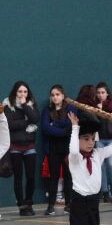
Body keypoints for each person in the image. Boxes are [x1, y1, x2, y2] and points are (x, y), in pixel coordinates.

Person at [3, 81, 39, 215]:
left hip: (29, 145)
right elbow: (10, 125)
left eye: (25, 92)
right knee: (18, 177)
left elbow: (35, 118)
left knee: (31, 177)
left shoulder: (30, 104)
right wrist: (26, 122)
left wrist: (24, 105)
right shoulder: (7, 105)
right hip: (15, 146)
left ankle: (29, 203)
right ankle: (21, 206)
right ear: (15, 92)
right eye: (20, 91)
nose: (22, 94)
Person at [40, 85, 72, 215]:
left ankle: (69, 204)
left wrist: (56, 125)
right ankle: (50, 205)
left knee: (68, 176)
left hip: (68, 147)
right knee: (53, 177)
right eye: (52, 95)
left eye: (57, 94)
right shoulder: (47, 110)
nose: (55, 97)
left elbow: (70, 126)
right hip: (53, 148)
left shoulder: (70, 108)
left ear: (63, 96)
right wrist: (62, 130)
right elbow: (46, 128)